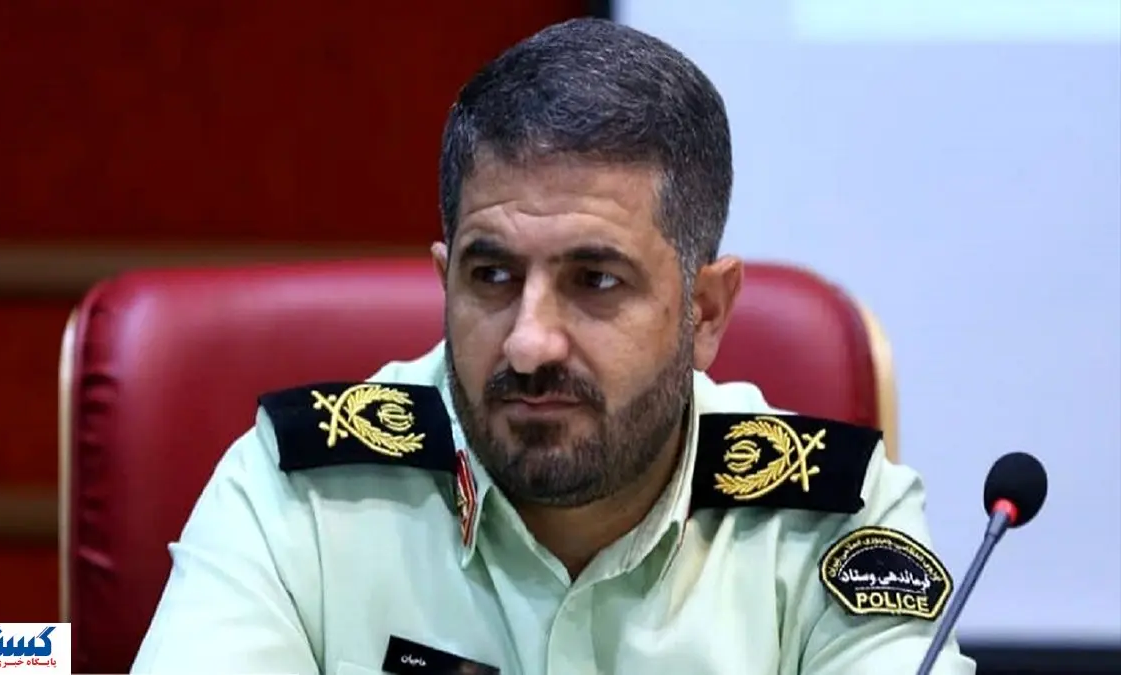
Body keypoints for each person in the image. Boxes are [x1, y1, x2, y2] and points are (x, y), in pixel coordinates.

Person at [130, 17, 975, 675]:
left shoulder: (829, 520)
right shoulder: (301, 496)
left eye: (595, 280)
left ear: (706, 311)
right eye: (492, 276)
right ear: (445, 281)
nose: (530, 342)